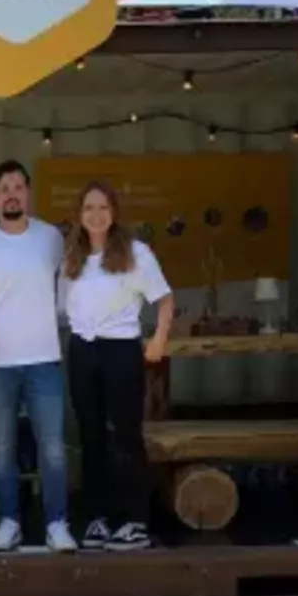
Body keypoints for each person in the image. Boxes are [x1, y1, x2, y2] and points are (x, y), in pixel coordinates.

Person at [0, 160, 76, 553]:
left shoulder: (51, 239)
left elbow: (74, 287)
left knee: (53, 446)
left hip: (44, 358)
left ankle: (57, 523)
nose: (11, 193)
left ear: (28, 192)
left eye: (18, 186)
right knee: (2, 447)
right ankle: (9, 521)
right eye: (3, 188)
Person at [61, 180, 174, 551]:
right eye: (88, 208)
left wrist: (158, 339)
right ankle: (98, 518)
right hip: (83, 350)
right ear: (79, 215)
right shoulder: (72, 258)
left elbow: (164, 299)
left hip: (120, 350)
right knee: (90, 437)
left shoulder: (135, 252)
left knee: (125, 435)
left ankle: (134, 521)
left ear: (114, 213)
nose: (96, 215)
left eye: (103, 208)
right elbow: (64, 308)